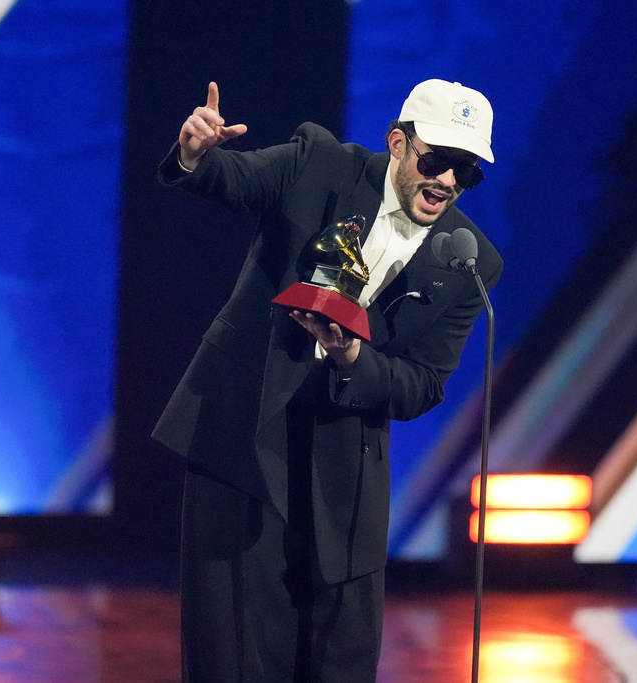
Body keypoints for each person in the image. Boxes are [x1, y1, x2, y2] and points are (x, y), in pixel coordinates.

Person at [152, 79, 502, 681]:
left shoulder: (469, 261)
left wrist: (350, 358)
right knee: (234, 654)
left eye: (465, 171)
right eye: (438, 160)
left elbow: (421, 385)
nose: (447, 182)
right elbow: (231, 180)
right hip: (244, 438)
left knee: (338, 658)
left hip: (346, 471)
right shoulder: (321, 163)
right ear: (398, 143)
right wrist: (196, 154)